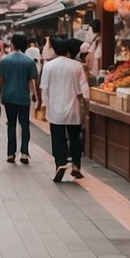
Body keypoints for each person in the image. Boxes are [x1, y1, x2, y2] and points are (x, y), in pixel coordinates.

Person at [40, 37, 89, 183]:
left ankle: (60, 163)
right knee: (75, 137)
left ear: (54, 50)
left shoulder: (49, 66)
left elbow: (45, 89)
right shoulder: (76, 66)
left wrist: (44, 105)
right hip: (73, 109)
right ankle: (76, 165)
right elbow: (84, 90)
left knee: (58, 138)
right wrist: (86, 108)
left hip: (55, 110)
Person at [0, 32, 39, 164]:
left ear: (12, 44)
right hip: (23, 97)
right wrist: (36, 96)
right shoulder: (30, 62)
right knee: (24, 124)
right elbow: (34, 82)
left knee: (11, 124)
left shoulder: (5, 61)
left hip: (8, 96)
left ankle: (11, 153)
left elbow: (0, 81)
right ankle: (24, 152)